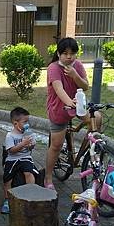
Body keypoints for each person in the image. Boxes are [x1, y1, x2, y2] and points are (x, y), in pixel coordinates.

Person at [44, 37, 100, 190]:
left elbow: (85, 86)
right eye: (65, 53)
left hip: (78, 105)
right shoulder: (53, 68)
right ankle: (48, 178)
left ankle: (82, 153)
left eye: (72, 53)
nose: (69, 57)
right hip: (59, 108)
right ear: (58, 54)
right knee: (56, 146)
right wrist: (69, 102)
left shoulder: (78, 66)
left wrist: (75, 75)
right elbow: (58, 89)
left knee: (97, 118)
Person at [0, 107, 39, 214]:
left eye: (28, 121)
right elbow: (11, 151)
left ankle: (30, 195)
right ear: (15, 123)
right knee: (7, 179)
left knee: (29, 172)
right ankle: (7, 200)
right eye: (25, 121)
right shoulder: (10, 135)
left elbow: (31, 149)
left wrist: (31, 145)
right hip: (12, 159)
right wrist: (22, 144)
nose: (27, 124)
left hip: (25, 158)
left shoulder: (29, 134)